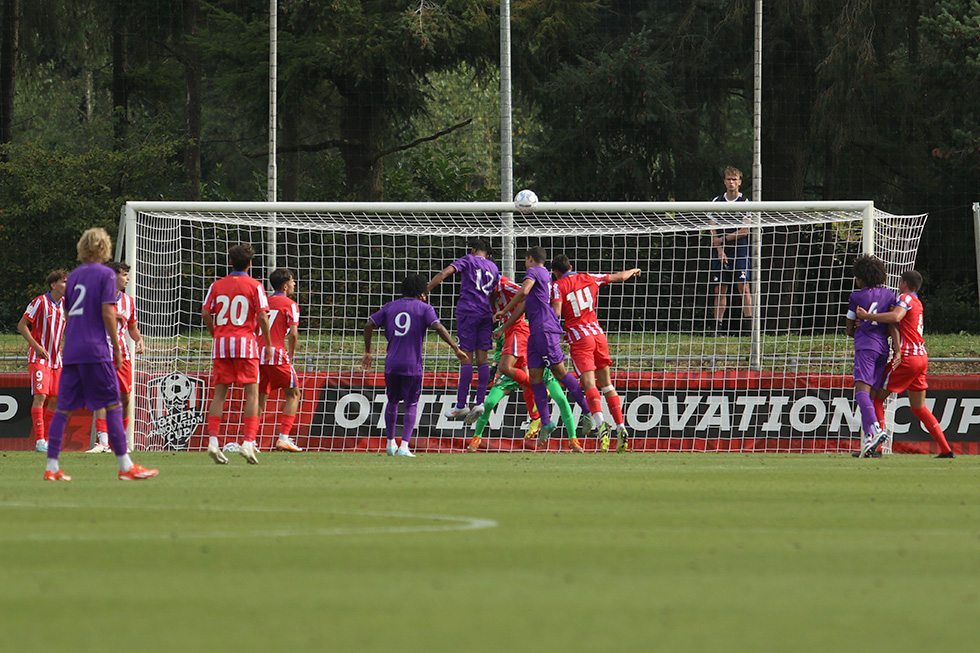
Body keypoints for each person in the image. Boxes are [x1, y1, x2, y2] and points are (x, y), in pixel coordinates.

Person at [42, 227, 158, 481]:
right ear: (105, 248)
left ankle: (51, 466)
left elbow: (77, 311)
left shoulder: (72, 277)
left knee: (63, 408)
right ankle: (125, 466)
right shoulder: (105, 274)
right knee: (114, 403)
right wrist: (117, 347)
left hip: (71, 348)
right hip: (96, 349)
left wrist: (112, 314)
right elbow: (105, 312)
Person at [493, 246, 594, 446]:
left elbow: (523, 291)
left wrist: (504, 307)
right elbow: (524, 304)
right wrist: (504, 323)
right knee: (535, 377)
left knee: (560, 372)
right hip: (535, 332)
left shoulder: (533, 272)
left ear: (530, 258)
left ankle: (587, 410)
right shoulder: (544, 275)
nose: (524, 263)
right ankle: (546, 422)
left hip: (545, 329)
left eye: (525, 259)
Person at [363, 274, 470, 457]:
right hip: (411, 365)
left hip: (391, 364)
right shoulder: (424, 308)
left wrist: (368, 351)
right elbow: (438, 327)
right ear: (422, 293)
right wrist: (455, 348)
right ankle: (404, 446)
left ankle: (390, 444)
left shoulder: (390, 306)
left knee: (392, 401)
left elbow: (368, 325)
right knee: (412, 403)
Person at [856, 270, 954, 458]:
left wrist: (868, 317)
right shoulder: (917, 302)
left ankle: (875, 449)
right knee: (918, 407)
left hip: (906, 359)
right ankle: (946, 449)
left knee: (876, 398)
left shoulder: (905, 298)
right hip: (922, 357)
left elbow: (895, 317)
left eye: (900, 282)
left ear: (904, 284)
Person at [551, 254, 641, 453]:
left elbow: (556, 313)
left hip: (580, 338)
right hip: (598, 335)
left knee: (589, 383)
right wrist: (633, 271)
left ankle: (601, 425)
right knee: (607, 384)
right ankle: (621, 427)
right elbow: (618, 277)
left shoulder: (558, 286)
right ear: (571, 266)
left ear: (555, 273)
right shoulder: (589, 276)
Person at [202, 243, 273, 465]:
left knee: (219, 393)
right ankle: (248, 442)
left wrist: (216, 333)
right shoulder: (255, 285)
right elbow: (262, 315)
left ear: (230, 262)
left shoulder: (217, 285)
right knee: (252, 394)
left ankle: (213, 441)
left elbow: (205, 311)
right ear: (249, 264)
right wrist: (268, 344)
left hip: (222, 343)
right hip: (245, 343)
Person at [427, 238, 500, 424]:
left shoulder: (468, 259)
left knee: (465, 356)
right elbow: (493, 293)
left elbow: (445, 273)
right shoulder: (493, 268)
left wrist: (425, 290)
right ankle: (480, 402)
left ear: (474, 249)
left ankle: (461, 404)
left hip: (468, 311)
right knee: (483, 358)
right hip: (486, 313)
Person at [468, 335, 578, 452]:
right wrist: (494, 367)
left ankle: (573, 440)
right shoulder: (502, 329)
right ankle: (477, 437)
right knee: (489, 403)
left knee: (561, 399)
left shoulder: (529, 325)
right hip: (511, 372)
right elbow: (500, 349)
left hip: (536, 369)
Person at [89, 261, 145, 453]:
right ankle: (103, 442)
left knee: (125, 397)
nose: (127, 279)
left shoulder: (129, 301)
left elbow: (131, 326)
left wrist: (138, 339)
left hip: (123, 356)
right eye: (124, 275)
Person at [846, 254, 897, 458]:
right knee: (871, 396)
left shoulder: (856, 297)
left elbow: (849, 329)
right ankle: (869, 440)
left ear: (861, 278)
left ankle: (875, 430)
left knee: (861, 393)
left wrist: (859, 325)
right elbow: (892, 322)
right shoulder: (889, 295)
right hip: (883, 349)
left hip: (865, 348)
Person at [17, 269, 67, 453]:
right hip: (39, 358)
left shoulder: (65, 304)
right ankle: (39, 441)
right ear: (54, 285)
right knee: (41, 396)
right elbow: (22, 325)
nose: (67, 285)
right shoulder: (40, 302)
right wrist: (36, 347)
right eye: (64, 282)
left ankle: (47, 439)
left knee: (55, 398)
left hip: (56, 360)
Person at [490, 274, 543, 441]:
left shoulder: (504, 284)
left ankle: (539, 390)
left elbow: (525, 291)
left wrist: (506, 314)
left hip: (518, 329)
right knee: (524, 380)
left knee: (505, 368)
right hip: (512, 331)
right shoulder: (488, 291)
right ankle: (537, 418)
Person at [258, 268, 303, 453]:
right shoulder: (290, 304)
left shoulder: (263, 302)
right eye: (292, 282)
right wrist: (290, 355)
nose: (294, 285)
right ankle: (283, 438)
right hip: (276, 354)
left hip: (257, 354)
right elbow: (293, 333)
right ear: (285, 286)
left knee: (258, 398)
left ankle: (250, 441)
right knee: (293, 393)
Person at [708, 166, 753, 335]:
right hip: (721, 251)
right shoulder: (716, 202)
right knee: (720, 288)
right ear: (724, 181)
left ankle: (749, 328)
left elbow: (745, 230)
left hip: (740, 250)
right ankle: (717, 328)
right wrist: (719, 249)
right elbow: (712, 230)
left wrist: (724, 239)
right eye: (728, 179)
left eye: (734, 179)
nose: (731, 182)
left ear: (740, 182)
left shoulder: (745, 203)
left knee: (744, 287)